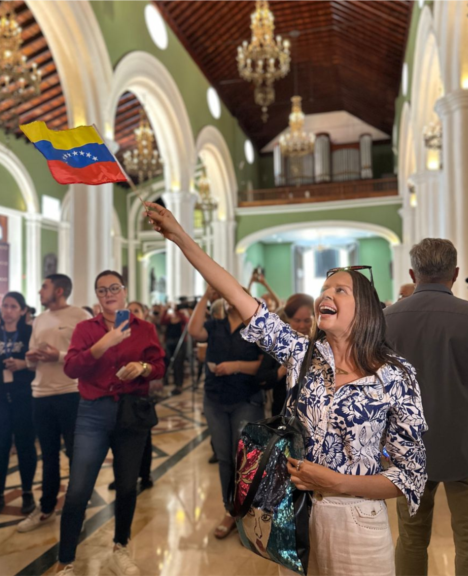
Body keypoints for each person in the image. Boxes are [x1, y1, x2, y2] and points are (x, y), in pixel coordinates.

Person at [145, 201, 427, 576]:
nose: (325, 295)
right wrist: (181, 237)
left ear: (367, 309)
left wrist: (336, 482)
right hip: (292, 510)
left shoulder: (395, 375)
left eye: (340, 290)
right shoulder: (301, 355)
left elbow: (411, 474)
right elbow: (240, 298)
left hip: (357, 520)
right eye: (324, 289)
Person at [385, 239, 468, 576]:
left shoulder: (385, 320)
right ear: (455, 273)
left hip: (407, 448)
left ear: (413, 273)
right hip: (466, 446)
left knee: (410, 538)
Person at [55, 271, 165, 576]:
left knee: (127, 485)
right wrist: (103, 344)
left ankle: (120, 547)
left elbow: (158, 366)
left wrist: (142, 367)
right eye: (102, 290)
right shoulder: (85, 329)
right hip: (93, 412)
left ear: (124, 291)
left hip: (132, 412)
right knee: (78, 489)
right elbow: (71, 367)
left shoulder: (144, 328)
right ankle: (65, 562)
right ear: (96, 296)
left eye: (114, 288)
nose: (108, 294)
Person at [187, 285, 264, 539]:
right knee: (224, 458)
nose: (232, 298)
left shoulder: (256, 329)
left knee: (244, 457)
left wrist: (236, 366)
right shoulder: (216, 325)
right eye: (229, 293)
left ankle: (250, 509)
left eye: (238, 293)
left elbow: (265, 369)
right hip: (215, 399)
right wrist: (206, 297)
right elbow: (194, 331)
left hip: (245, 398)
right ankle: (230, 510)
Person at [17, 274, 90, 533]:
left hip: (70, 393)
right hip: (41, 394)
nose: (39, 291)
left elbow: (87, 355)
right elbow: (34, 358)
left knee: (75, 455)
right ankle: (46, 508)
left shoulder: (80, 316)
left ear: (59, 291)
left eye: (44, 287)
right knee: (48, 456)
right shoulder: (39, 319)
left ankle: (76, 510)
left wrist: (57, 355)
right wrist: (31, 357)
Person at [0, 291, 36, 517]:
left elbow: (40, 360)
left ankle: (27, 492)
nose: (7, 310)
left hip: (24, 395)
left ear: (22, 310)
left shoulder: (30, 333)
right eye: (5, 306)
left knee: (26, 446)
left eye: (13, 306)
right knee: (0, 448)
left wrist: (23, 363)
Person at [107, 301, 158, 492]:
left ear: (144, 314)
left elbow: (157, 363)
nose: (132, 314)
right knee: (118, 440)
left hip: (140, 396)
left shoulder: (147, 333)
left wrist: (142, 368)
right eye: (129, 310)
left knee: (143, 440)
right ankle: (121, 476)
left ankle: (145, 475)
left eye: (136, 311)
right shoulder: (118, 334)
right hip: (118, 395)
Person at [256, 293, 314, 418]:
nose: (302, 326)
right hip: (283, 415)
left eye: (307, 320)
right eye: (297, 321)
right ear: (288, 320)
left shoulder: (321, 345)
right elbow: (261, 378)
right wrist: (280, 372)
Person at [161, 302, 189, 395]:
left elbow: (186, 321)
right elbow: (162, 321)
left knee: (178, 364)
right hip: (169, 341)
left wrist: (177, 310)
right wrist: (165, 310)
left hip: (180, 342)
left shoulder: (181, 316)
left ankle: (178, 386)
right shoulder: (169, 317)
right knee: (167, 361)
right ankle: (166, 380)